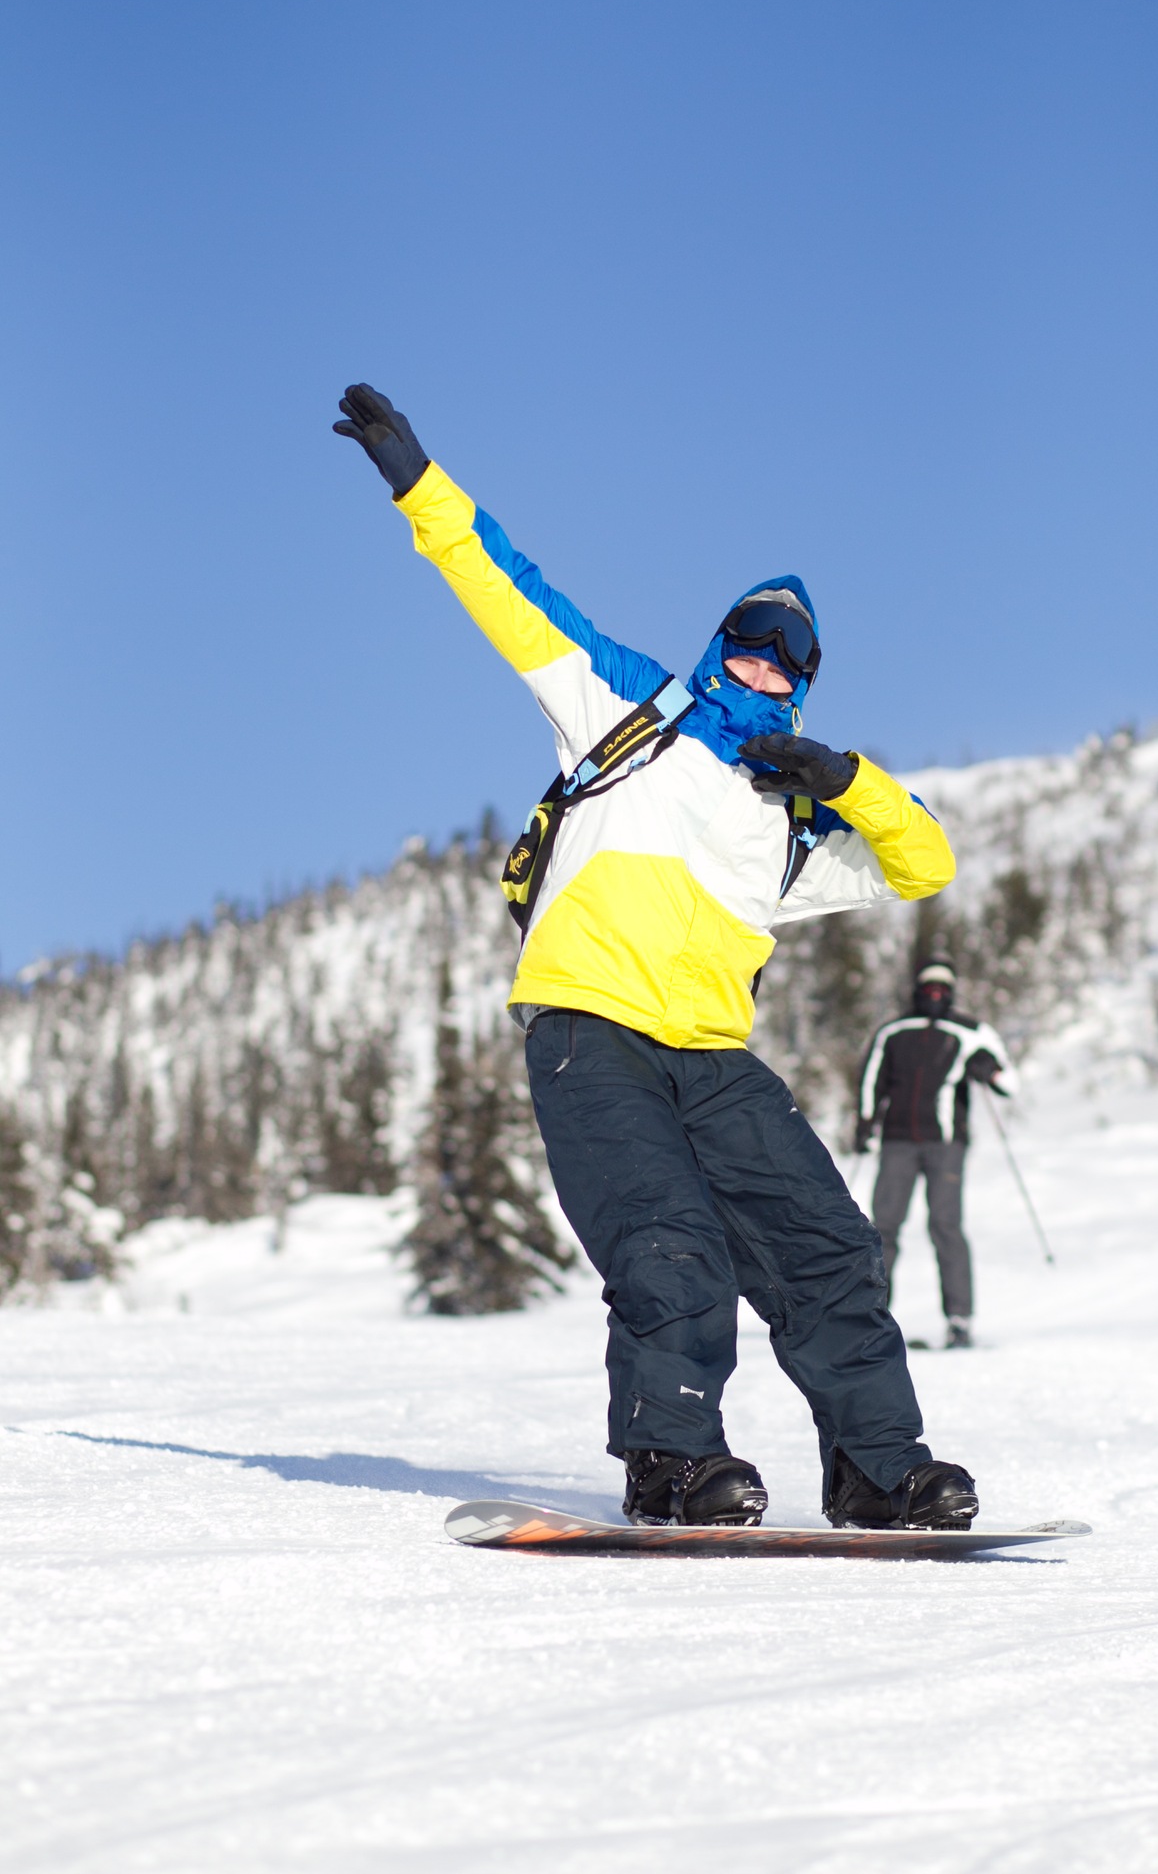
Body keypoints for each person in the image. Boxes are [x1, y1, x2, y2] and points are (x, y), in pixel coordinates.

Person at [335, 383, 977, 1531]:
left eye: (790, 658)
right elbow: (504, 585)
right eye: (751, 641)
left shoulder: (794, 822)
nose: (766, 665)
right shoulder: (625, 708)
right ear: (721, 644)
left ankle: (880, 1469)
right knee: (668, 1243)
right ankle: (674, 1462)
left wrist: (844, 781)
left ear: (806, 682)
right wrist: (419, 483)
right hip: (591, 1029)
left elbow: (925, 862)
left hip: (712, 1055)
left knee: (827, 1246)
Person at [855, 956, 1017, 1349]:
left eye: (942, 988)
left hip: (945, 1143)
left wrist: (987, 1068)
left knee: (945, 1226)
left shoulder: (970, 1031)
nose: (935, 994)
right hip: (897, 1141)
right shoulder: (895, 1031)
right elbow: (872, 1080)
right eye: (929, 987)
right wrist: (865, 1123)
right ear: (916, 990)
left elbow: (1008, 1083)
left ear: (952, 992)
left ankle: (959, 1320)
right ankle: (874, 1316)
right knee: (884, 1227)